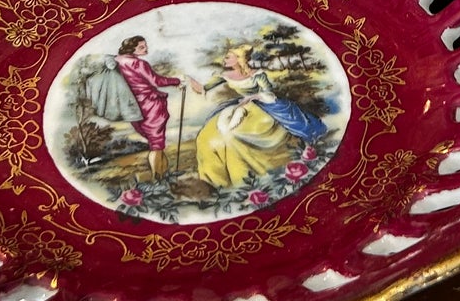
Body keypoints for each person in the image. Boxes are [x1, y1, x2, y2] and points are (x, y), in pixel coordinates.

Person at [194, 42, 327, 191]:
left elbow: (269, 93)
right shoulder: (224, 75)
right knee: (206, 135)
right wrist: (186, 80)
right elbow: (203, 88)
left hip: (260, 106)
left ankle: (244, 180)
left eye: (228, 57)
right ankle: (214, 181)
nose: (224, 60)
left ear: (239, 59)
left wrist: (253, 97)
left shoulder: (257, 75)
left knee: (234, 135)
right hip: (239, 104)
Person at [106, 35, 201, 181]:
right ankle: (158, 179)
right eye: (141, 47)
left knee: (155, 143)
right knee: (156, 145)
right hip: (150, 105)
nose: (146, 49)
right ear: (131, 49)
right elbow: (156, 81)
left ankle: (164, 174)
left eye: (145, 46)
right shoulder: (139, 64)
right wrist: (178, 80)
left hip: (133, 106)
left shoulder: (117, 61)